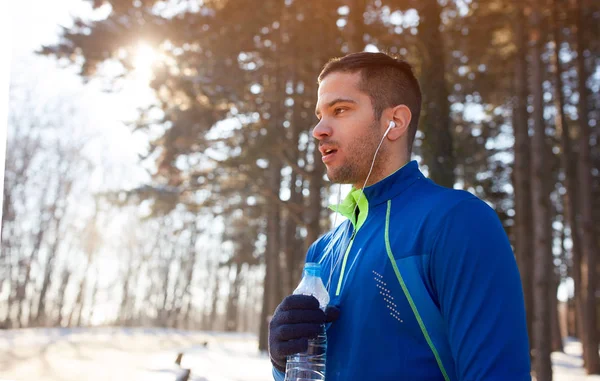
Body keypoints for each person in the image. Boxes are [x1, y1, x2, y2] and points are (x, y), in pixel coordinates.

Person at [268, 52, 531, 381]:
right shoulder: (322, 252)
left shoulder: (457, 222)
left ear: (395, 122)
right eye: (320, 115)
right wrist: (283, 362)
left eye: (340, 110)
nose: (319, 129)